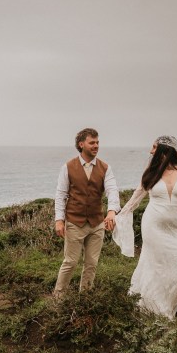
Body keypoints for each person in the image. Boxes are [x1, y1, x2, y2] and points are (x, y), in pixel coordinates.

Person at [112, 135, 177, 318]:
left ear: (164, 150)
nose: (150, 151)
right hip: (153, 227)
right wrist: (119, 216)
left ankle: (162, 308)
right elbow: (137, 197)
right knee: (155, 269)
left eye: (153, 147)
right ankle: (157, 313)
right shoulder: (151, 170)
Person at [52, 127, 121, 296]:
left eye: (97, 142)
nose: (96, 145)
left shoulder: (105, 168)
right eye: (92, 142)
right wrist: (59, 220)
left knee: (91, 264)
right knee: (70, 262)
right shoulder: (68, 167)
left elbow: (113, 190)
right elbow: (61, 195)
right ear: (81, 144)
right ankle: (58, 298)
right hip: (75, 222)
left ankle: (85, 299)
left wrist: (112, 211)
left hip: (97, 223)